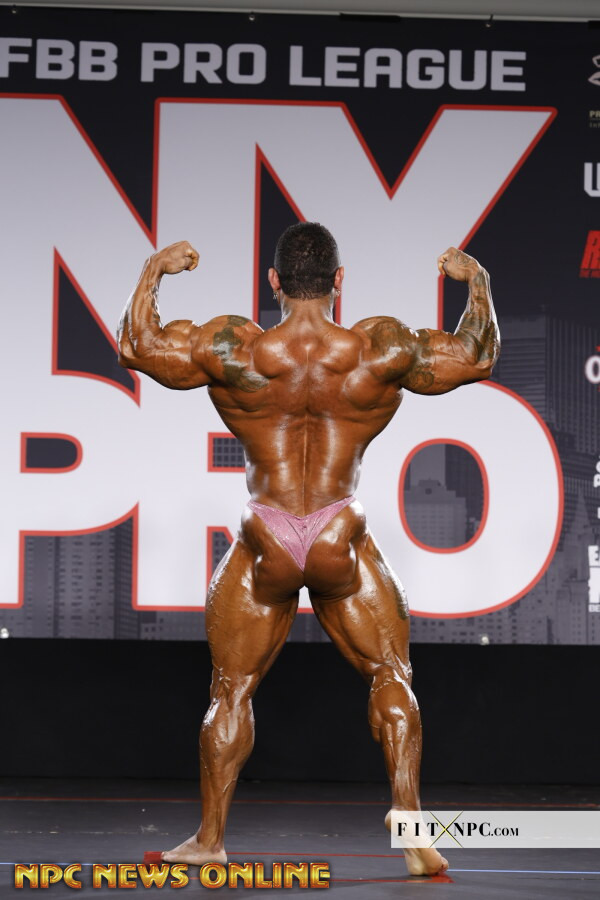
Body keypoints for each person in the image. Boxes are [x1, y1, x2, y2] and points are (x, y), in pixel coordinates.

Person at [117, 223, 499, 877]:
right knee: (391, 676)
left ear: (273, 281)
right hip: (336, 531)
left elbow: (138, 346)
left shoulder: (234, 346)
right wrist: (479, 282)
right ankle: (413, 830)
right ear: (339, 282)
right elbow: (476, 356)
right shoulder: (378, 348)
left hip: (266, 532)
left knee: (231, 690)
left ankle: (210, 839)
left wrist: (154, 270)